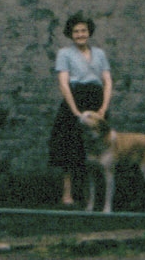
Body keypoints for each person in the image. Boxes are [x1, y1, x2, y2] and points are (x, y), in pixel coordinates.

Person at [48, 13, 112, 206]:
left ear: (89, 32)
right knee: (70, 145)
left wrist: (103, 109)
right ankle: (67, 194)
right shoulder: (64, 54)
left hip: (96, 100)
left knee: (95, 148)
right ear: (70, 34)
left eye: (83, 30)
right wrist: (74, 110)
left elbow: (107, 81)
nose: (80, 34)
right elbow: (63, 83)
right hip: (75, 99)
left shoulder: (99, 54)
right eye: (76, 31)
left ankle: (91, 195)